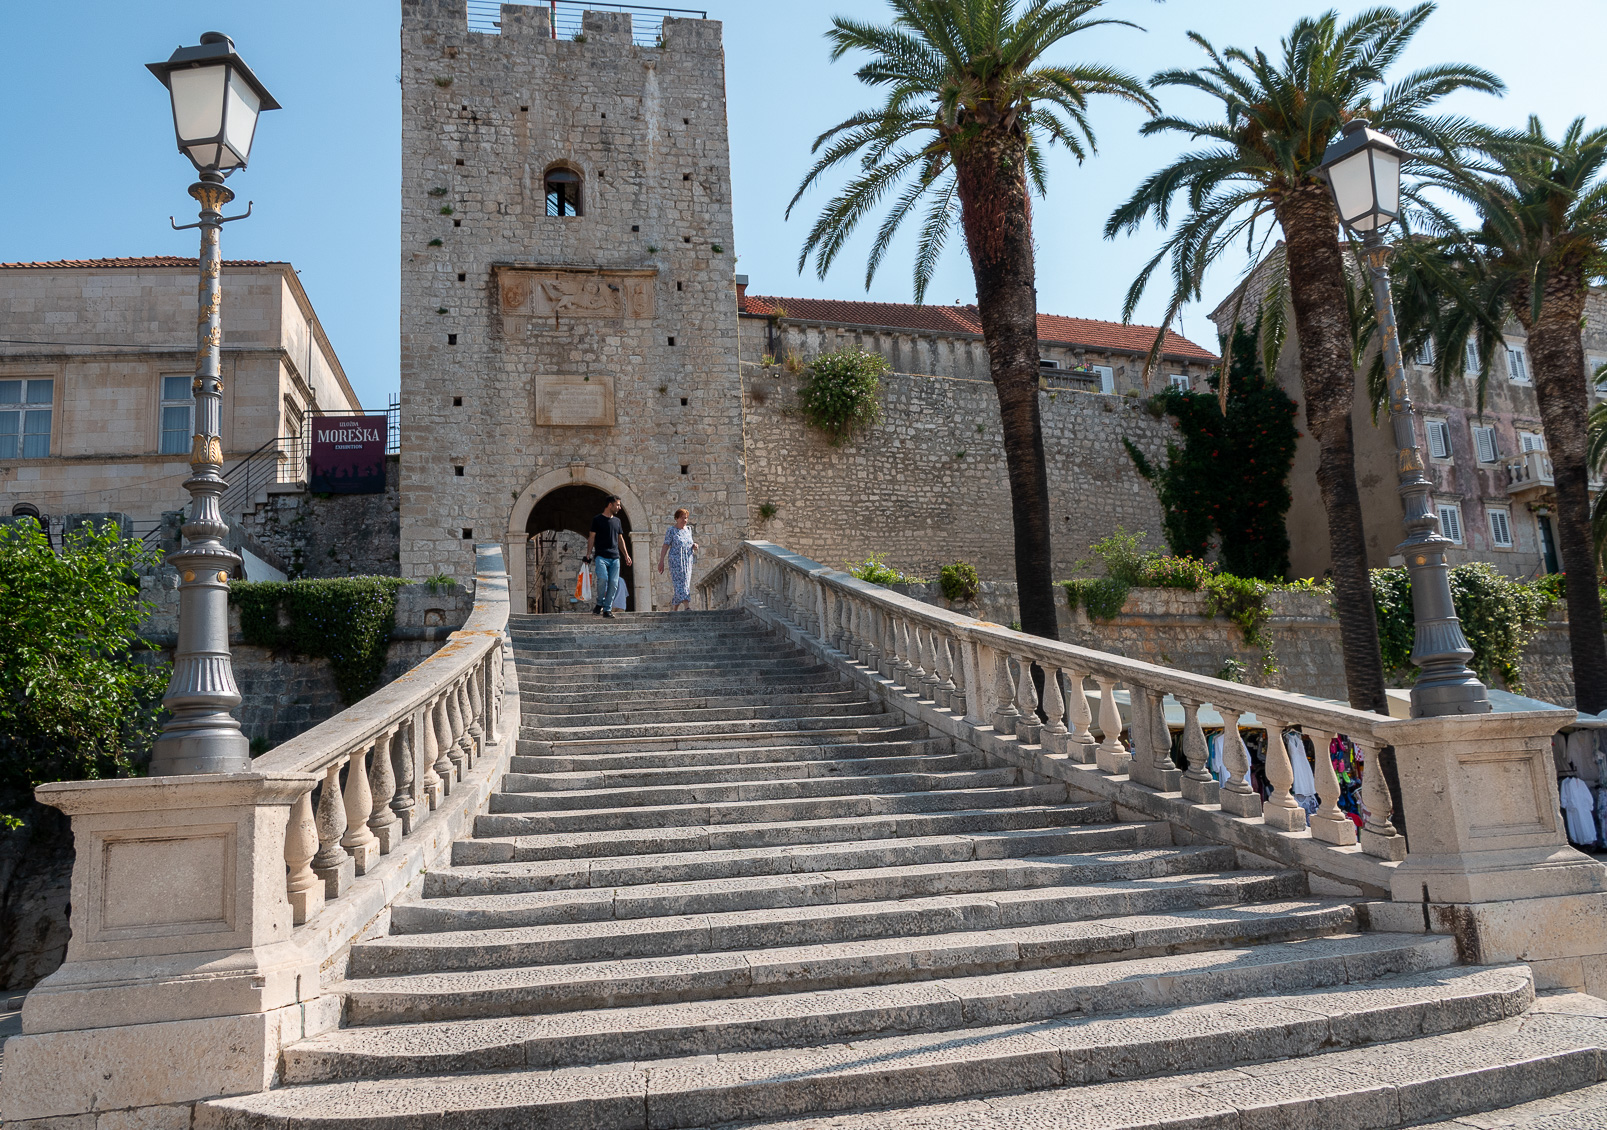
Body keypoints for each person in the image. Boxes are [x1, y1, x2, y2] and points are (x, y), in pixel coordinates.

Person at [583, 495, 632, 618]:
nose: (619, 507)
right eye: (618, 505)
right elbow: (591, 537)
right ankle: (600, 603)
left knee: (614, 583)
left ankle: (607, 609)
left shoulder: (617, 521)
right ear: (610, 505)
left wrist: (626, 555)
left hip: (615, 557)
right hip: (601, 556)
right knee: (603, 579)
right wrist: (588, 554)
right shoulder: (597, 519)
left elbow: (620, 539)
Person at [658, 507, 699, 611]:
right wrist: (661, 561)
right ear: (676, 518)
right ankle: (687, 606)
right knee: (681, 582)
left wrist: (694, 545)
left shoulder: (688, 530)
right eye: (682, 518)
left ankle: (675, 607)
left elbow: (689, 543)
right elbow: (665, 545)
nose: (684, 520)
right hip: (676, 560)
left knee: (685, 582)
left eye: (686, 518)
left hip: (687, 560)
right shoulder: (671, 530)